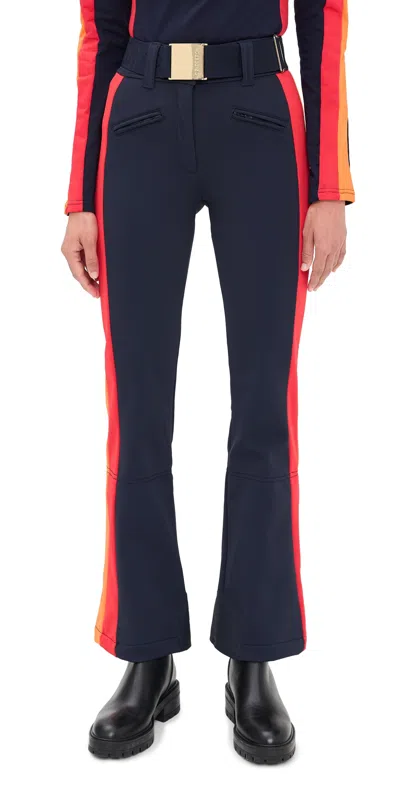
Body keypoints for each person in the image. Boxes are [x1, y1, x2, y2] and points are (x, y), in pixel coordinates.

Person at [61, 0, 354, 764]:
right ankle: (146, 650)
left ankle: (253, 653)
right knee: (137, 410)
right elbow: (99, 27)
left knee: (264, 407)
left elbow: (323, 14)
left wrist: (328, 184)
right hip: (139, 121)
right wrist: (81, 197)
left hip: (258, 120)